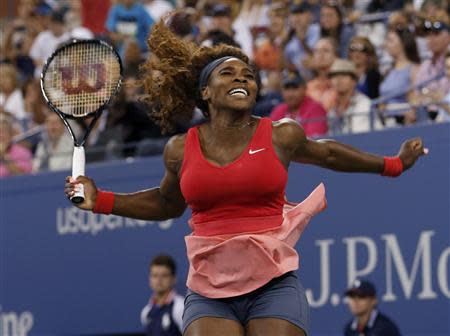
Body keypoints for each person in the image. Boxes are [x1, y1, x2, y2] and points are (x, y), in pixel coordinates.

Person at [65, 21, 427, 336]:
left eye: (249, 76)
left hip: (274, 284)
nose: (242, 78)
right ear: (205, 93)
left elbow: (329, 153)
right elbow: (166, 203)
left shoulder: (281, 135)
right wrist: (103, 201)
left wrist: (393, 164)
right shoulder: (179, 149)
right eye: (228, 73)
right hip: (209, 291)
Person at [270, 71, 327, 137]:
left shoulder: (316, 109)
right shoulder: (279, 110)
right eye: (287, 88)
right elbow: (268, 135)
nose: (290, 94)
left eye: (295, 88)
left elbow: (314, 141)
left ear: (305, 89)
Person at [141, 254, 184, 336]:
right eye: (155, 276)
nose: (159, 280)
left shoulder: (180, 308)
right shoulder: (146, 312)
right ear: (149, 279)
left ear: (173, 279)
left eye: (164, 275)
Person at [327, 59, 373, 135]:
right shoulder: (332, 110)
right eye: (334, 76)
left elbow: (361, 136)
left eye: (344, 75)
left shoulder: (364, 103)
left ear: (354, 80)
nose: (338, 79)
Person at [0, 114, 33, 178]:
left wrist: (3, 156)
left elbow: (24, 177)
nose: (1, 135)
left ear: (11, 135)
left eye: (4, 131)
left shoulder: (22, 152)